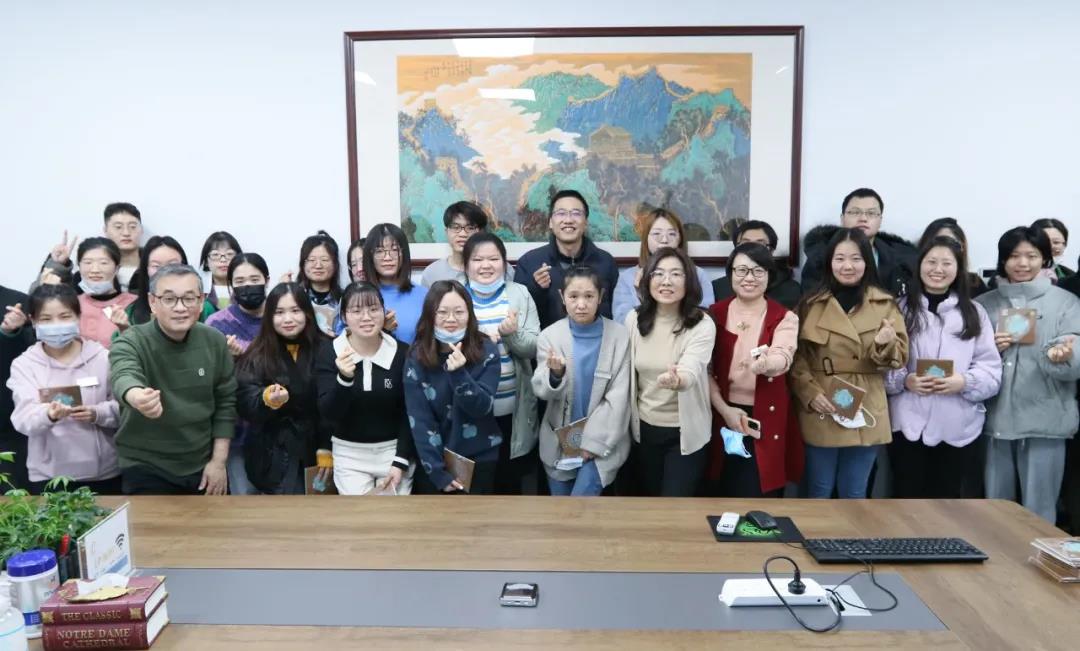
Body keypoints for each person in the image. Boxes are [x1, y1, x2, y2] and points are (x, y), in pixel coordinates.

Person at [790, 228, 909, 499]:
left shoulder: (885, 304)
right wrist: (810, 393)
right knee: (818, 488)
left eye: (856, 258)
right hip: (822, 402)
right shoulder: (810, 304)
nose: (847, 266)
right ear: (829, 262)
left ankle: (852, 531)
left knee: (855, 490)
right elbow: (796, 357)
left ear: (867, 262)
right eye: (840, 258)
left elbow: (899, 358)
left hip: (866, 402)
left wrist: (885, 342)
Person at [975, 226, 1080, 522]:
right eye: (1014, 256)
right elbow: (967, 359)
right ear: (1002, 260)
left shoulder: (1066, 303)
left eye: (1031, 256)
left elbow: (1075, 349)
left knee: (1040, 510)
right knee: (995, 511)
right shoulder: (983, 305)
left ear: (1045, 258)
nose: (1022, 263)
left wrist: (1063, 356)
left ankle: (1039, 554)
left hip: (1045, 418)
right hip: (994, 419)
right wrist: (990, 350)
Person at [884, 236, 1002, 498]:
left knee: (947, 505)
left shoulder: (975, 313)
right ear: (919, 265)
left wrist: (965, 382)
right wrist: (905, 380)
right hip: (907, 425)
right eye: (931, 262)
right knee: (905, 500)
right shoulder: (898, 309)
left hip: (958, 426)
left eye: (947, 263)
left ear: (958, 269)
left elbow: (991, 370)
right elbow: (883, 362)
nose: (938, 269)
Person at [109, 264, 236, 495]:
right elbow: (123, 375)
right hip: (146, 466)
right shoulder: (131, 341)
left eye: (189, 298)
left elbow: (225, 403)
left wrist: (218, 462)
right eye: (169, 299)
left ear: (201, 301)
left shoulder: (215, 341)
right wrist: (138, 397)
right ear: (152, 302)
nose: (180, 308)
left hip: (202, 463)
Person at [707, 243, 803, 497]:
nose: (749, 278)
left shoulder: (784, 317)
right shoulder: (714, 314)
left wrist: (767, 364)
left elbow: (783, 353)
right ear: (730, 274)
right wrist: (725, 410)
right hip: (722, 411)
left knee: (761, 488)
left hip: (765, 415)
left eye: (758, 271)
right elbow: (705, 370)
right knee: (721, 486)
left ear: (769, 275)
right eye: (741, 270)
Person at [7, 284, 121, 494]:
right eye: (46, 319)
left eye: (65, 316)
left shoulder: (103, 358)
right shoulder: (25, 365)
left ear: (78, 317)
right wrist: (49, 415)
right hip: (49, 477)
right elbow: (23, 419)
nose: (56, 325)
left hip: (104, 473)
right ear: (33, 321)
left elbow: (124, 409)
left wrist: (97, 413)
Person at [532, 266, 631, 496]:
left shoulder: (619, 336)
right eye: (573, 296)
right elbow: (541, 390)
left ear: (601, 297)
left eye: (589, 296)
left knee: (580, 505)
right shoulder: (550, 336)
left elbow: (619, 396)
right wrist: (555, 375)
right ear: (562, 297)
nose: (581, 304)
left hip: (603, 442)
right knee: (561, 512)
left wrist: (594, 443)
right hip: (559, 443)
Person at [626, 247, 716, 497]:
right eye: (659, 273)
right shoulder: (634, 319)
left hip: (684, 433)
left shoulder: (702, 323)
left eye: (676, 274)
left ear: (689, 281)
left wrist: (679, 380)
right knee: (650, 503)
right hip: (644, 428)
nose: (666, 281)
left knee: (674, 506)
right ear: (647, 279)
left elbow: (692, 367)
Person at [315, 282, 414, 495]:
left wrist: (400, 460)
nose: (366, 317)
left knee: (394, 514)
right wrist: (344, 379)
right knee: (358, 515)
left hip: (393, 452)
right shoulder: (329, 352)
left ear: (384, 312)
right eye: (356, 311)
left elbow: (411, 412)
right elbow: (328, 413)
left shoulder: (402, 353)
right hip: (348, 454)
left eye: (373, 309)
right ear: (344, 316)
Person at [404, 281, 501, 494]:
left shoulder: (487, 350)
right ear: (430, 315)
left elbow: (482, 407)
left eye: (459, 312)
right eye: (442, 312)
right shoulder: (416, 356)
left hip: (479, 458)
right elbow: (420, 420)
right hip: (433, 462)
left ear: (469, 314)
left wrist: (459, 374)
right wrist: (438, 472)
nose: (451, 319)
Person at [462, 233, 540, 494]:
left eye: (494, 259)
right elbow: (442, 346)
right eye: (477, 259)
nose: (486, 265)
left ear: (505, 263)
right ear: (466, 264)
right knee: (474, 489)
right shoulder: (455, 294)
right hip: (469, 411)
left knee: (508, 487)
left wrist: (511, 334)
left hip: (512, 411)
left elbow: (533, 347)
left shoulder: (519, 293)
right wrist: (479, 340)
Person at [235, 283, 327, 494]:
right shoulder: (257, 353)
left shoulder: (327, 348)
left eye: (295, 310)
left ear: (307, 313)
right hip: (274, 451)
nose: (288, 319)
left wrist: (326, 447)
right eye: (279, 312)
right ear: (269, 316)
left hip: (320, 447)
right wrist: (266, 398)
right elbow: (244, 398)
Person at [205, 252, 270, 495]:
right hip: (237, 430)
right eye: (240, 281)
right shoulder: (216, 324)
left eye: (254, 279)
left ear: (267, 280)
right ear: (231, 285)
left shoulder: (281, 317)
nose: (248, 287)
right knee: (244, 501)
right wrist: (229, 360)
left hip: (279, 426)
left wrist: (246, 356)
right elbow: (210, 378)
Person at [515, 190, 619, 328]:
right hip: (548, 341)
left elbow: (615, 314)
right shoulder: (529, 263)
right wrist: (536, 289)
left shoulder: (605, 262)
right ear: (550, 222)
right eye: (561, 213)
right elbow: (520, 318)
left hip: (598, 340)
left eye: (576, 213)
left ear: (586, 222)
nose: (568, 220)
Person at [802, 188, 917, 297]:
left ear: (880, 221)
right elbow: (810, 301)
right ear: (842, 219)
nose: (863, 218)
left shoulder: (902, 260)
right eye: (855, 212)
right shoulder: (820, 257)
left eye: (871, 213)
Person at [613, 207, 714, 324]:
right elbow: (621, 322)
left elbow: (706, 318)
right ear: (646, 239)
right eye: (657, 234)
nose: (664, 240)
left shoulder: (698, 274)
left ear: (680, 239)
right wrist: (642, 296)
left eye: (671, 234)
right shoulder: (628, 277)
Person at [37, 203, 144, 292]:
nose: (126, 233)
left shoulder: (151, 267)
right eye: (118, 227)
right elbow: (39, 298)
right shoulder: (86, 274)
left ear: (141, 230)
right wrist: (58, 265)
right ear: (105, 230)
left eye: (132, 227)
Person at [121, 236, 215, 333]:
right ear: (146, 269)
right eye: (156, 266)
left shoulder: (205, 308)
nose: (165, 271)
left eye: (172, 264)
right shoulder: (132, 312)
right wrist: (123, 329)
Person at [712, 220, 803, 309]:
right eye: (745, 244)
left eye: (760, 244)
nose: (752, 250)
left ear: (772, 250)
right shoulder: (718, 287)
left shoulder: (791, 289)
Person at [421, 201, 514, 288]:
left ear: (480, 232)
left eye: (470, 228)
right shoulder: (432, 273)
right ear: (447, 232)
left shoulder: (503, 269)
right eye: (455, 227)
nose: (462, 234)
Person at [363, 224, 425, 344]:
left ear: (404, 253)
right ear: (370, 256)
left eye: (395, 250)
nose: (387, 257)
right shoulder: (356, 297)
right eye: (379, 251)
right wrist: (382, 330)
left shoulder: (423, 295)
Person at [72, 237, 136, 348]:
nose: (95, 270)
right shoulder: (71, 304)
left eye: (103, 263)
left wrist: (124, 329)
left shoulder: (134, 304)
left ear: (117, 268)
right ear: (79, 266)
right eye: (88, 262)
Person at [0, 287, 33, 490]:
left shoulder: (16, 302)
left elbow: (30, 353)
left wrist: (9, 332)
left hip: (7, 425)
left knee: (12, 493)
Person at [917, 218, 989, 297]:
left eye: (950, 242)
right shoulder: (910, 284)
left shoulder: (974, 284)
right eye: (939, 241)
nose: (944, 247)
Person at [293, 231, 344, 337]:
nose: (318, 265)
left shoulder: (345, 299)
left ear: (335, 264)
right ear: (303, 264)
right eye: (312, 260)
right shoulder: (294, 297)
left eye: (324, 260)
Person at [199, 231, 242, 310]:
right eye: (215, 254)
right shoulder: (199, 291)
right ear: (206, 262)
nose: (223, 260)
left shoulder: (246, 289)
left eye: (229, 254)